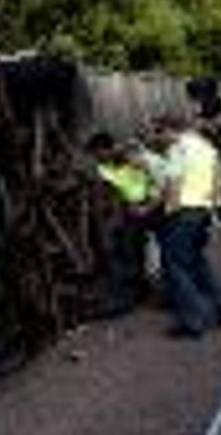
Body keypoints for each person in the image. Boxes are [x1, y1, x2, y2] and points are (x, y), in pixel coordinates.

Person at [155, 115, 221, 338]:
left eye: (159, 132)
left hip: (183, 211)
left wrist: (169, 210)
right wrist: (214, 204)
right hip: (203, 211)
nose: (158, 138)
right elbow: (219, 173)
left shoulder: (177, 148)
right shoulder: (204, 147)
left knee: (175, 266)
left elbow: (174, 181)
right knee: (198, 263)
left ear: (170, 130)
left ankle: (193, 321)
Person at [86, 131, 155, 316]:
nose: (96, 158)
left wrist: (133, 207)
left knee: (127, 256)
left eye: (97, 153)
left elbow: (130, 190)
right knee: (130, 256)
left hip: (131, 217)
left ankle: (126, 299)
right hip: (127, 216)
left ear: (104, 149)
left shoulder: (126, 161)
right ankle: (138, 293)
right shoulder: (112, 164)